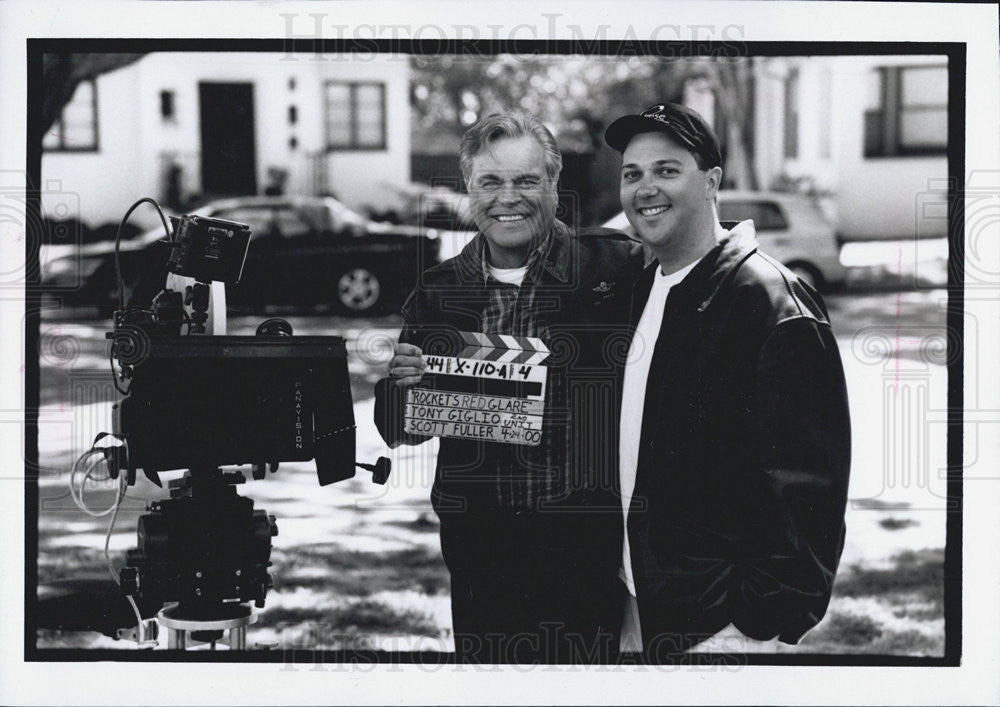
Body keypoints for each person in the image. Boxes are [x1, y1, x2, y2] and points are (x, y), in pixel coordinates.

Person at [375, 111, 638, 663]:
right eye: (490, 182)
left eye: (526, 180)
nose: (507, 198)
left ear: (554, 184)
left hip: (585, 548)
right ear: (470, 191)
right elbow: (399, 431)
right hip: (482, 551)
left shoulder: (615, 269)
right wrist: (401, 388)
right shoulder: (439, 289)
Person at [603, 102, 851, 656]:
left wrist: (753, 626)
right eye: (632, 174)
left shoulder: (769, 303)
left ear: (712, 181)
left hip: (719, 629)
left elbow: (808, 492)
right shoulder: (640, 291)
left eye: (667, 170)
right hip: (636, 604)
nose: (646, 189)